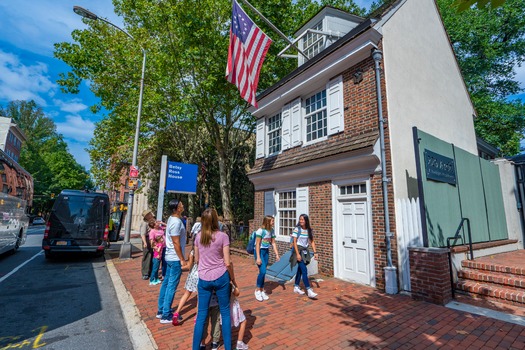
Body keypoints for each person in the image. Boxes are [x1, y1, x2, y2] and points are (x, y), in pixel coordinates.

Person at [192, 208, 234, 350]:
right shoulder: (223, 236)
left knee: (201, 315)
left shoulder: (198, 237)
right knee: (225, 312)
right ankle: (228, 347)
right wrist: (233, 280)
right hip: (221, 276)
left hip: (204, 277)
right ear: (216, 220)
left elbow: (197, 259)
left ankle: (196, 347)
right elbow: (227, 262)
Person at [156, 199, 188, 324]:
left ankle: (161, 309)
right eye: (181, 204)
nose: (183, 205)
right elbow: (176, 242)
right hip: (174, 258)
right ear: (177, 208)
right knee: (171, 285)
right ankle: (166, 314)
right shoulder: (175, 222)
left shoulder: (171, 220)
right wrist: (182, 259)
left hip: (169, 257)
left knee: (166, 283)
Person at [289, 214, 319, 298]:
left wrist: (315, 252)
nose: (301, 221)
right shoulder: (297, 229)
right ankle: (309, 290)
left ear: (306, 220)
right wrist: (298, 254)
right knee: (304, 270)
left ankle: (296, 286)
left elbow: (312, 241)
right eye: (300, 219)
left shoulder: (309, 230)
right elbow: (294, 242)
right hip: (298, 250)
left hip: (305, 250)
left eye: (303, 219)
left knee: (300, 269)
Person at [172, 234, 198, 325]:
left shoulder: (192, 252)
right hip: (201, 275)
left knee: (186, 294)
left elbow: (189, 266)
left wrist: (181, 268)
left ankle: (177, 312)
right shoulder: (204, 250)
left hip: (192, 275)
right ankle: (197, 316)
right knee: (200, 298)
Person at [254, 215, 280, 302]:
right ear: (268, 221)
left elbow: (273, 243)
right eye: (272, 221)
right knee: (263, 271)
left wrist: (276, 254)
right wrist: (258, 257)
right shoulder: (261, 231)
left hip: (266, 252)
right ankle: (257, 290)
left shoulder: (271, 231)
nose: (273, 222)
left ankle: (261, 290)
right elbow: (257, 244)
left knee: (264, 271)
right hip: (259, 251)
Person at [229, 282, 248, 350]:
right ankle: (239, 343)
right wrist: (234, 283)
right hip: (233, 307)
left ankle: (227, 343)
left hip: (224, 308)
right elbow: (237, 293)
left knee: (227, 325)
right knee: (243, 321)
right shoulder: (230, 283)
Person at [140, 209, 156, 280]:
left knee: (153, 255)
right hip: (147, 239)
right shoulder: (144, 223)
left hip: (153, 239)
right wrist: (145, 242)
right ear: (146, 216)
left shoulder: (152, 221)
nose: (150, 214)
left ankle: (151, 271)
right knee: (147, 255)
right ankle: (145, 273)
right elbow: (143, 234)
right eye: (149, 214)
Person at [149, 221, 166, 285]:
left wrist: (162, 223)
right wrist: (157, 248)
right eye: (156, 223)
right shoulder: (152, 231)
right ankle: (152, 279)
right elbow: (152, 243)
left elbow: (168, 226)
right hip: (158, 251)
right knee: (156, 266)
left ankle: (159, 277)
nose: (158, 223)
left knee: (164, 262)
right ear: (154, 225)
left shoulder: (161, 228)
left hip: (163, 247)